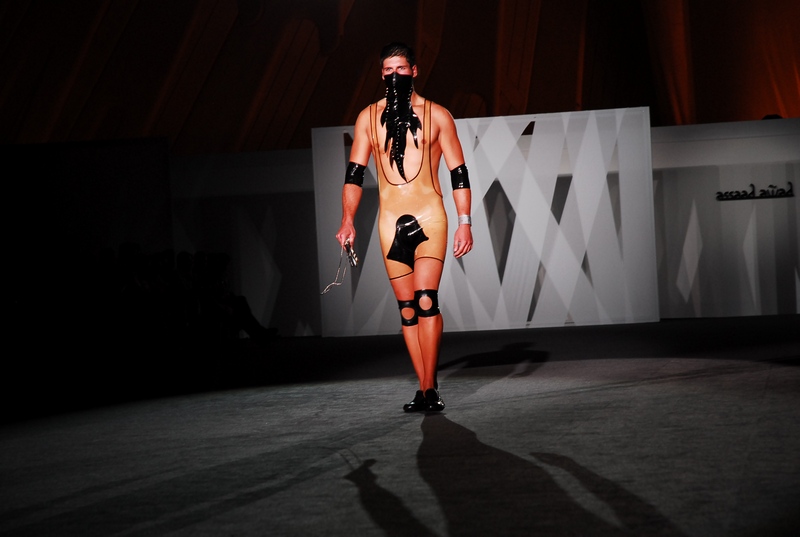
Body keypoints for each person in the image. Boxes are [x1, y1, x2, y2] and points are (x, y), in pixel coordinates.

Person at [335, 42, 474, 412]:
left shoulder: (438, 115)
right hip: (390, 221)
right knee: (408, 309)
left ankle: (429, 387)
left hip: (431, 216)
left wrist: (465, 222)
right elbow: (354, 173)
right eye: (388, 70)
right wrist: (347, 220)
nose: (394, 75)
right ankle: (424, 386)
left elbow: (458, 172)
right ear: (381, 74)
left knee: (427, 299)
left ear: (414, 71)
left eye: (400, 69)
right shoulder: (367, 118)